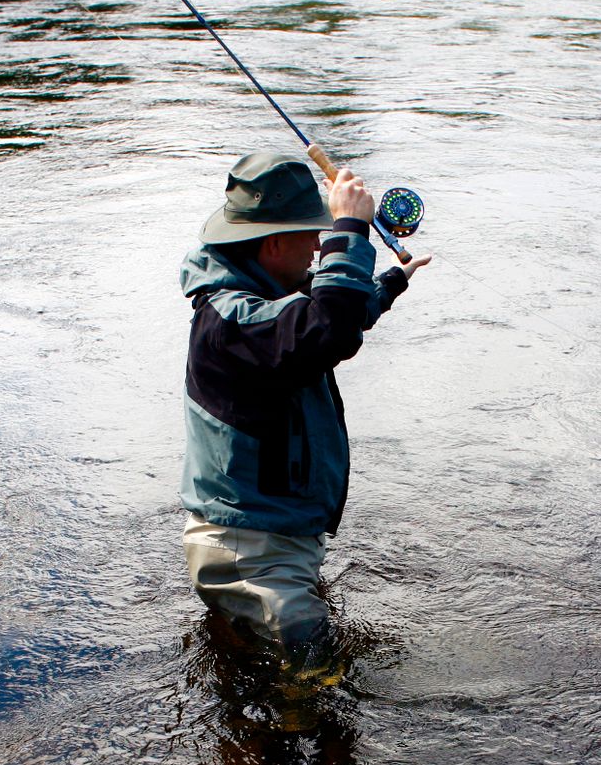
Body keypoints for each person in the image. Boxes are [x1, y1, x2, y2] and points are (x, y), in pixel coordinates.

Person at [177, 150, 428, 660]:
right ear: (273, 243)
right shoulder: (233, 321)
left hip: (268, 542)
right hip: (250, 554)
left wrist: (388, 285)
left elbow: (319, 318)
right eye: (310, 234)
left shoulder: (256, 304)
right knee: (312, 683)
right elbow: (322, 331)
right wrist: (350, 232)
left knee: (276, 682)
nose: (317, 247)